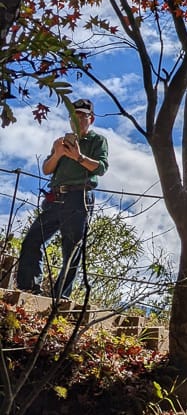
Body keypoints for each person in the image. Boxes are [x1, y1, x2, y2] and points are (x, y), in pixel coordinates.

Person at [17, 98, 109, 301]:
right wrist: (58, 153)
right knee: (33, 239)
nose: (77, 120)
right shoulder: (60, 142)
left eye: (82, 116)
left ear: (90, 119)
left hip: (79, 197)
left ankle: (60, 297)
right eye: (73, 116)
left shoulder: (97, 141)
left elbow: (101, 168)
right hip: (55, 197)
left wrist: (78, 156)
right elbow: (47, 169)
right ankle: (29, 288)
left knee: (72, 249)